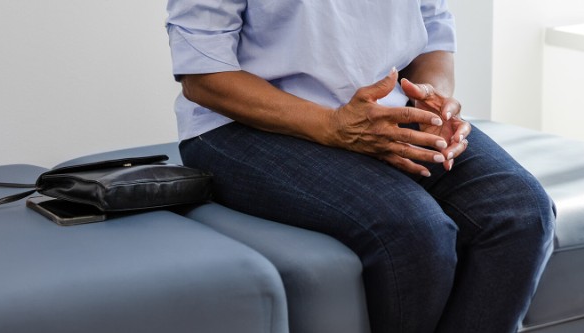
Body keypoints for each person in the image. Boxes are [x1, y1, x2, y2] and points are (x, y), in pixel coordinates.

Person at [165, 1, 555, 333]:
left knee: (519, 211)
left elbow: (433, 30)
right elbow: (203, 73)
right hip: (246, 127)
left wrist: (429, 98)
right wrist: (332, 126)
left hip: (385, 112)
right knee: (414, 232)